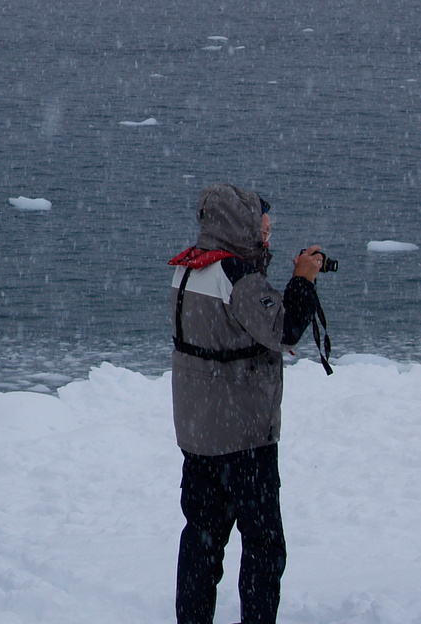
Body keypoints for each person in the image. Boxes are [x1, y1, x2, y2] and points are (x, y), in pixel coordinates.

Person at [169, 184, 323, 624]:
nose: (267, 236)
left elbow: (223, 333)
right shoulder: (237, 276)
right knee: (263, 545)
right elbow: (286, 327)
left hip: (199, 433)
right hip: (244, 438)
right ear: (241, 226)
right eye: (263, 228)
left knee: (202, 541)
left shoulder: (186, 269)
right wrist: (302, 280)